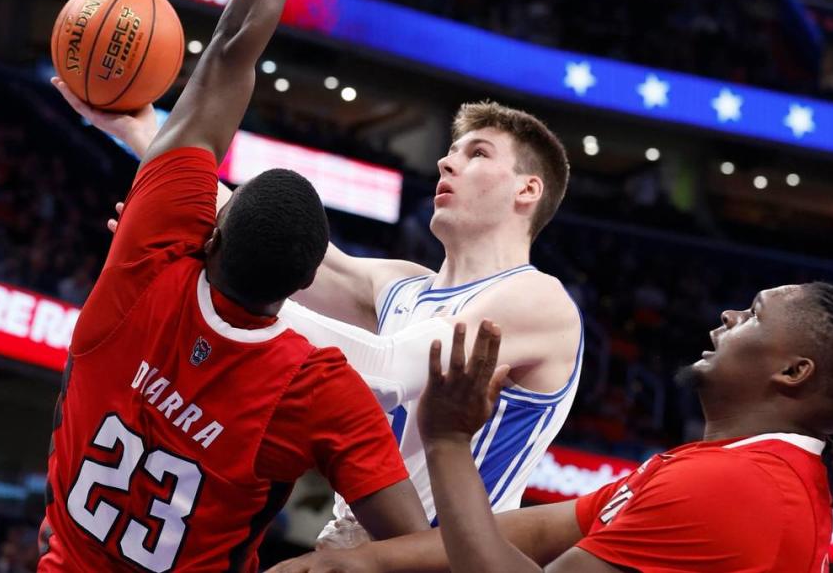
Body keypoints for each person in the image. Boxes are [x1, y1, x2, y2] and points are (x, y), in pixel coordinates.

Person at [37, 0, 429, 571]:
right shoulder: (316, 388)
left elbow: (232, 44)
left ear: (210, 233)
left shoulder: (149, 255)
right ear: (304, 283)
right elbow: (418, 547)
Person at [53, 92, 583, 545]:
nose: (447, 163)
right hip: (356, 549)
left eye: (477, 153)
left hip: (447, 559)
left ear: (527, 190)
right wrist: (143, 131)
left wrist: (201, 277)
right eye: (450, 151)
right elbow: (257, 233)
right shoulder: (402, 286)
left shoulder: (537, 298)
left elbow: (388, 372)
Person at [271, 283, 833, 572]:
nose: (729, 316)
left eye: (755, 313)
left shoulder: (741, 489)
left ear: (793, 371)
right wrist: (360, 560)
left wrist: (446, 440)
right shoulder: (741, 470)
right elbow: (536, 532)